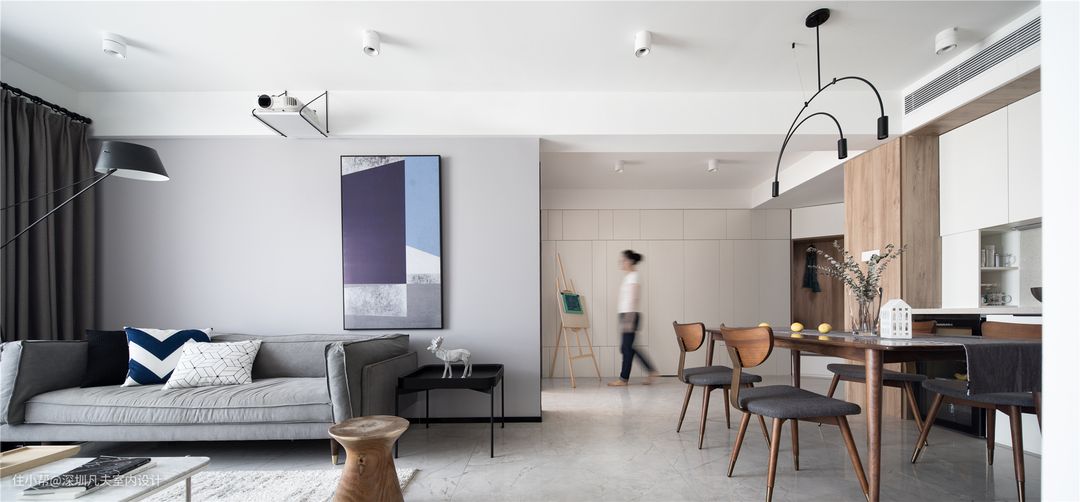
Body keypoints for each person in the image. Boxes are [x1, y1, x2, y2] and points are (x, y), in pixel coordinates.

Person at [608, 249, 657, 387]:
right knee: (628, 347)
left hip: (629, 315)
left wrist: (628, 319)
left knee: (626, 348)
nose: (621, 262)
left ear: (629, 261)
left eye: (623, 260)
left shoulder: (633, 277)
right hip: (626, 314)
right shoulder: (629, 276)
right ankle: (651, 371)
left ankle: (624, 379)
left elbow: (634, 297)